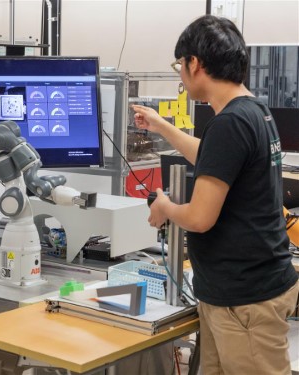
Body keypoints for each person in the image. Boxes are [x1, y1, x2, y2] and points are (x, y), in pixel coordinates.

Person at [132, 15, 299, 375]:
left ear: (195, 63)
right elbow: (214, 159)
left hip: (245, 298)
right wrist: (162, 126)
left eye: (180, 65)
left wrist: (165, 207)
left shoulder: (230, 123)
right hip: (239, 292)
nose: (180, 73)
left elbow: (199, 218)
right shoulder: (252, 109)